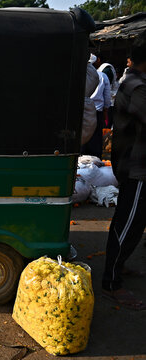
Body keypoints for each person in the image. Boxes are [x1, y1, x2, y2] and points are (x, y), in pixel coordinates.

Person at [102, 31, 146, 311]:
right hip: (136, 167)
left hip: (133, 164)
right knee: (128, 224)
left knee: (134, 222)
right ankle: (111, 282)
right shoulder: (137, 87)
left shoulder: (135, 82)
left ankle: (120, 266)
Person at [82, 54, 111, 159]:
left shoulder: (79, 73)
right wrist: (106, 111)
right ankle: (95, 161)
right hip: (97, 111)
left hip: (82, 111)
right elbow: (107, 96)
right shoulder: (102, 76)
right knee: (95, 140)